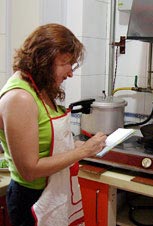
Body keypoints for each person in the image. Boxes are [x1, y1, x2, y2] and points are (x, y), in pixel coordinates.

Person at [0, 23, 107, 226]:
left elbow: (44, 145)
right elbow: (29, 170)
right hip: (31, 198)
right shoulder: (20, 98)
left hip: (52, 189)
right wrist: (82, 152)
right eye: (65, 63)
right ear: (43, 60)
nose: (70, 73)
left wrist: (80, 146)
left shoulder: (40, 88)